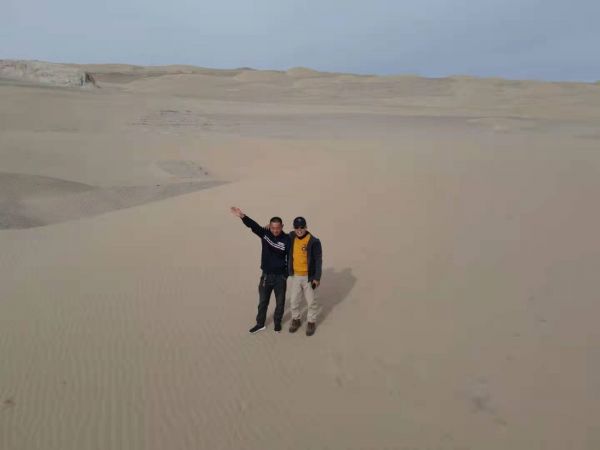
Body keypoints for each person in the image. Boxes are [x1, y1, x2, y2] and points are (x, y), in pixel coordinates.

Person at [230, 206, 290, 334]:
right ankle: (260, 324)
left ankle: (277, 323)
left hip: (280, 277)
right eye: (273, 227)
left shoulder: (287, 239)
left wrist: (286, 274)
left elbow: (290, 258)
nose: (275, 230)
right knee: (263, 302)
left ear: (282, 226)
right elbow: (253, 226)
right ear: (270, 226)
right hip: (266, 276)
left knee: (280, 303)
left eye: (278, 228)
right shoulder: (265, 234)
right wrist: (242, 216)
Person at [288, 216, 323, 336]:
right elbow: (277, 234)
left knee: (311, 302)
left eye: (302, 227)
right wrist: (268, 228)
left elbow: (318, 260)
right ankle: (296, 319)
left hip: (309, 277)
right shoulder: (291, 237)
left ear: (306, 227)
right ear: (294, 228)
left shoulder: (314, 241)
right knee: (293, 301)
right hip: (296, 276)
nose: (299, 230)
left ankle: (311, 322)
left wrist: (317, 278)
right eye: (297, 227)